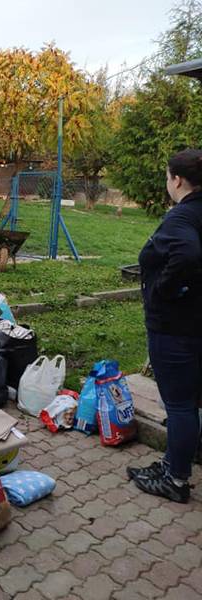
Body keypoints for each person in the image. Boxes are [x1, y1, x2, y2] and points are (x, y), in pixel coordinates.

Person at [127, 148, 202, 503]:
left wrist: (164, 290)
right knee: (190, 402)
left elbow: (186, 255)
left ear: (178, 180)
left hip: (175, 327)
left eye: (167, 176)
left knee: (180, 405)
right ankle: (174, 460)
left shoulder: (181, 218)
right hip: (195, 321)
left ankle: (175, 479)